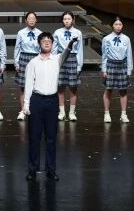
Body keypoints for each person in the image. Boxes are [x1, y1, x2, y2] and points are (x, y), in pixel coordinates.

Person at [23, 32, 72, 180]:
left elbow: (66, 54)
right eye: (43, 40)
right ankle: (32, 169)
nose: (46, 42)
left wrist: (70, 45)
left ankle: (51, 169)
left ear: (52, 44)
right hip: (37, 101)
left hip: (52, 101)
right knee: (34, 138)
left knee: (51, 138)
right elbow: (28, 84)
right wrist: (26, 104)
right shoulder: (33, 62)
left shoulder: (57, 59)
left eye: (49, 40)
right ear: (39, 43)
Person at [99, 17, 133, 123]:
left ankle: (123, 114)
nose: (118, 27)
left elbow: (129, 55)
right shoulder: (107, 39)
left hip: (122, 65)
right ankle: (106, 113)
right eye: (116, 24)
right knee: (108, 89)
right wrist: (104, 69)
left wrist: (129, 70)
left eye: (120, 24)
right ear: (112, 25)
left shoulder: (126, 39)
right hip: (111, 65)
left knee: (123, 90)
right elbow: (104, 55)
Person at [52, 11, 83, 121]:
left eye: (69, 19)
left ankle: (72, 112)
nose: (67, 21)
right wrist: (54, 62)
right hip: (61, 58)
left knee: (73, 87)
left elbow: (79, 50)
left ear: (73, 19)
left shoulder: (78, 32)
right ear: (62, 20)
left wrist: (79, 65)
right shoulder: (57, 32)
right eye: (65, 19)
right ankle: (62, 112)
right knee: (60, 87)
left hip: (73, 58)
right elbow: (54, 49)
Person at [12, 12, 43, 121]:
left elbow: (42, 49)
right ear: (25, 20)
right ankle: (23, 110)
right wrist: (16, 63)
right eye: (29, 18)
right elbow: (17, 48)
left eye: (33, 18)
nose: (31, 20)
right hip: (24, 58)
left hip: (36, 58)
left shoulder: (40, 33)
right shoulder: (21, 33)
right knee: (23, 87)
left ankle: (35, 110)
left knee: (36, 86)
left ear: (36, 20)